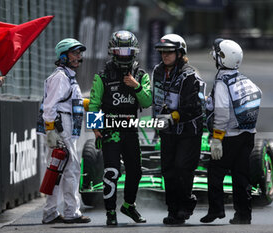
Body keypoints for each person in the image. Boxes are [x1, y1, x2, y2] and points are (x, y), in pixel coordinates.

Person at [88, 30, 152, 226]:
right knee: (112, 171)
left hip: (131, 131)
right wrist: (96, 128)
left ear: (134, 52)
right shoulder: (103, 75)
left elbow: (148, 102)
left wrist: (136, 86)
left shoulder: (140, 75)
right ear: (113, 52)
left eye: (128, 51)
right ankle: (110, 212)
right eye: (120, 51)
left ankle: (128, 206)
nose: (124, 55)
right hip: (110, 131)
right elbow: (94, 103)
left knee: (136, 171)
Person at [200, 39, 261, 225]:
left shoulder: (222, 82)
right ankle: (244, 214)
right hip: (248, 134)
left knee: (215, 172)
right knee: (241, 175)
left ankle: (216, 210)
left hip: (229, 137)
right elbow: (258, 95)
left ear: (223, 58)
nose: (214, 57)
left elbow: (222, 112)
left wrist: (217, 138)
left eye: (217, 55)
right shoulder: (243, 78)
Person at [152, 34, 205, 225]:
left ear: (180, 53)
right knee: (168, 170)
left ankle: (186, 205)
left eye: (169, 52)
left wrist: (173, 117)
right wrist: (157, 123)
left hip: (188, 131)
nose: (165, 55)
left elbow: (195, 107)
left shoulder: (190, 75)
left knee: (183, 167)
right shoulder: (157, 71)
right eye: (162, 52)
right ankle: (173, 209)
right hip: (167, 132)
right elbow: (155, 99)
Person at [42, 38, 91, 224]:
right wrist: (51, 130)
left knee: (57, 170)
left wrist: (86, 104)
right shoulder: (61, 77)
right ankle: (71, 212)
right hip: (61, 125)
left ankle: (50, 213)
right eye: (74, 53)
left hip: (65, 123)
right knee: (70, 169)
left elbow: (67, 101)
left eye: (80, 53)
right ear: (63, 56)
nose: (78, 56)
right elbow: (50, 106)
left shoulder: (67, 75)